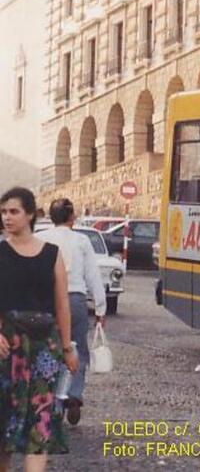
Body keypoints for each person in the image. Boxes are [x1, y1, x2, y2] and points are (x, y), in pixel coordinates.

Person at [0, 187, 77, 471]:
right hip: (7, 346)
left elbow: (62, 305)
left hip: (45, 346)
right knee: (4, 419)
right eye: (4, 212)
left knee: (40, 417)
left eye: (13, 211)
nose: (7, 217)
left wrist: (67, 348)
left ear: (30, 214)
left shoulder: (52, 254)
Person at [35, 198, 106, 426]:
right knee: (77, 349)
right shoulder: (82, 240)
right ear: (72, 217)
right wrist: (100, 308)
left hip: (49, 300)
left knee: (50, 350)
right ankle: (74, 393)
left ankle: (54, 400)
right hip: (75, 299)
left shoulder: (41, 238)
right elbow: (93, 275)